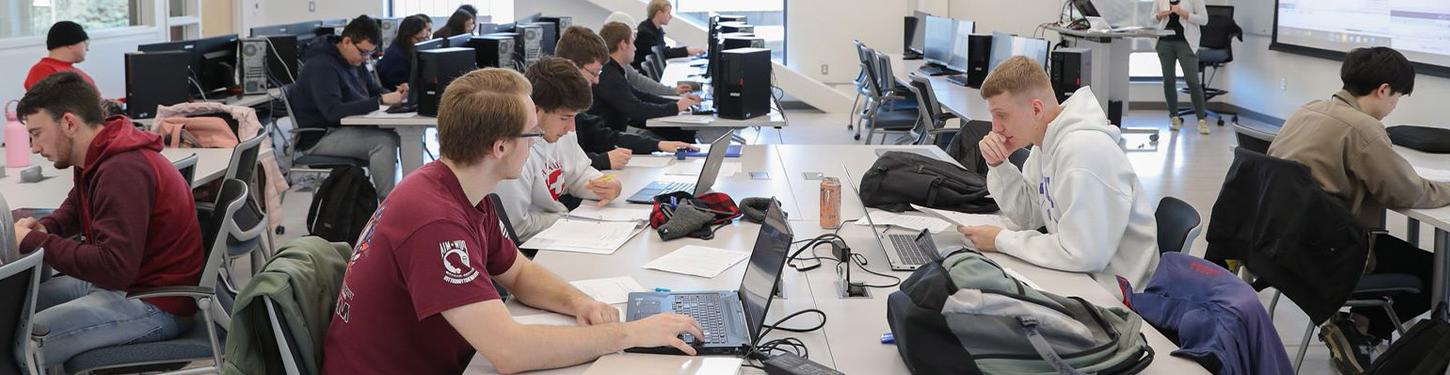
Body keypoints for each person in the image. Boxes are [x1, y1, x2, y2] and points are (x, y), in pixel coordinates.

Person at [321, 68, 703, 374]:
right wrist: (629, 333)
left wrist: (580, 302)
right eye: (531, 132)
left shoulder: (460, 187)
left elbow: (517, 273)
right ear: (499, 147)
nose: (538, 140)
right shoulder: (434, 222)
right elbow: (509, 352)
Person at [1268, 46, 1450, 373]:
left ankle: (1356, 328)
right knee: (1442, 272)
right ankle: (1360, 331)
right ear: (1383, 90)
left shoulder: (1308, 110)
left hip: (1281, 245)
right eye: (1396, 98)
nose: (1394, 106)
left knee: (1407, 255)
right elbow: (1406, 193)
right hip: (1332, 253)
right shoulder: (1363, 128)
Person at [12, 72, 202, 366]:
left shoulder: (121, 168)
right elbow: (75, 206)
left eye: (36, 133)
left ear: (69, 123)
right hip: (132, 284)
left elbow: (114, 268)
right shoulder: (102, 151)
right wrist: (46, 227)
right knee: (19, 306)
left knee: (19, 342)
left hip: (155, 303)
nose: (35, 147)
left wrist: (37, 241)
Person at [957, 56, 1160, 299]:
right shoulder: (1047, 142)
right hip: (1082, 276)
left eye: (1002, 115)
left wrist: (1001, 240)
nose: (995, 127)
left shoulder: (1083, 151)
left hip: (1114, 296)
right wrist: (999, 165)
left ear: (1036, 109)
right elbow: (1029, 216)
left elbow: (1084, 253)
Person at [493, 57, 623, 241]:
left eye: (574, 117)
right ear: (534, 110)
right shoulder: (515, 152)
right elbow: (516, 227)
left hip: (558, 230)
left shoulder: (560, 133)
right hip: (529, 249)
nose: (571, 127)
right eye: (564, 118)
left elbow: (578, 173)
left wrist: (607, 184)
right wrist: (566, 219)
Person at [291, 15, 407, 197]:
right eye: (363, 52)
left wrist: (397, 94)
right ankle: (387, 207)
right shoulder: (321, 65)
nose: (365, 58)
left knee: (401, 136)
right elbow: (333, 112)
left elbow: (373, 89)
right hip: (320, 135)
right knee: (384, 142)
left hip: (345, 127)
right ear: (346, 41)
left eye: (369, 54)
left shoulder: (354, 60)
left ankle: (403, 199)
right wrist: (380, 101)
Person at [554, 25, 694, 170]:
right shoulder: (552, 105)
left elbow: (602, 136)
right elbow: (563, 164)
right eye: (594, 72)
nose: (596, 81)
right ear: (571, 67)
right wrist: (603, 160)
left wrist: (658, 145)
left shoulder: (573, 104)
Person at [590, 22, 701, 143]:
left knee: (680, 133)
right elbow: (637, 109)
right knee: (675, 136)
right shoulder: (609, 75)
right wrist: (676, 107)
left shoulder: (613, 69)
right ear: (622, 44)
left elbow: (641, 95)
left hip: (616, 130)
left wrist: (679, 102)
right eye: (632, 42)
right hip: (610, 138)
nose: (635, 47)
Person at [605, 11, 700, 97]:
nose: (634, 46)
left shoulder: (621, 64)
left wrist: (672, 92)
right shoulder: (609, 72)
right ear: (622, 43)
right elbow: (634, 104)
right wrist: (675, 104)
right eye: (632, 38)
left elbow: (639, 82)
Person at [1153, 0, 1209, 134]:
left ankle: (1201, 120)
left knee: (1193, 81)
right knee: (1168, 80)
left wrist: (1183, 13)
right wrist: (1160, 15)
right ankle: (1174, 117)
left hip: (1186, 43)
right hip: (1164, 42)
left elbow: (1204, 20)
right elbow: (1152, 17)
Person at [632, 0, 704, 71]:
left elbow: (663, 50)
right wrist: (686, 51)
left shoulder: (657, 29)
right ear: (659, 13)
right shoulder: (645, 32)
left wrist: (686, 51)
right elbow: (661, 53)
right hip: (643, 73)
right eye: (668, 13)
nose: (670, 16)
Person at [24, 21, 96, 91]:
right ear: (70, 43)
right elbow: (45, 101)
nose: (87, 49)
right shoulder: (42, 70)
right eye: (85, 44)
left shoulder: (76, 72)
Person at [376, 15, 431, 91]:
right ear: (407, 36)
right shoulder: (396, 56)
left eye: (425, 38)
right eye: (419, 39)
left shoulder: (407, 50)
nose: (422, 43)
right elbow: (400, 85)